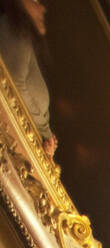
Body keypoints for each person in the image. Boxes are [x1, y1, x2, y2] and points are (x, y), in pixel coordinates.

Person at [0, 0, 56, 159]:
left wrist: (44, 143)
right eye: (35, 1)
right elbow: (12, 87)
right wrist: (45, 134)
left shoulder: (21, 36)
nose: (42, 8)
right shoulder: (13, 28)